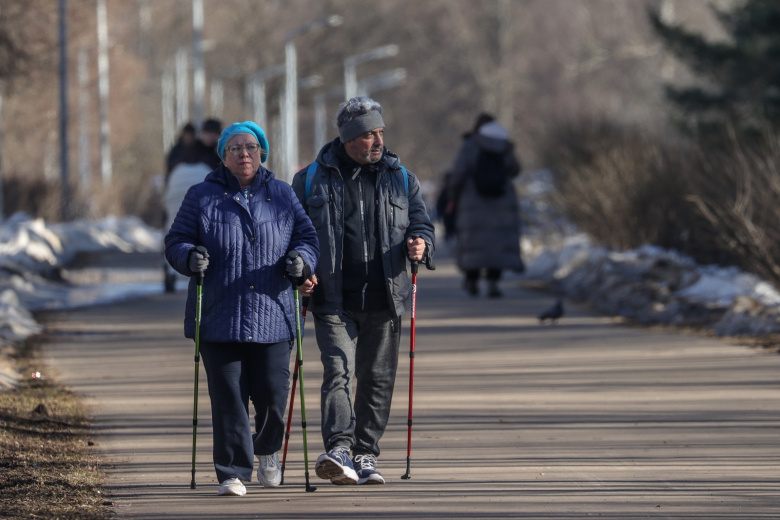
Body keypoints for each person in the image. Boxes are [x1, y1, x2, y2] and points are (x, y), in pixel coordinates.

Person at [165, 121, 319, 497]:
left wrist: (301, 260)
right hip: (219, 314)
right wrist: (189, 256)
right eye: (235, 148)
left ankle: (267, 450)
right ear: (223, 156)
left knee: (272, 395)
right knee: (229, 399)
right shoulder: (202, 195)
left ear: (262, 152)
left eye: (251, 147)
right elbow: (176, 240)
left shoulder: (282, 193)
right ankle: (232, 471)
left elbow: (307, 238)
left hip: (273, 313)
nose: (244, 154)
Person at [291, 96, 435, 486]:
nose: (378, 141)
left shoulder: (401, 178)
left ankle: (365, 452)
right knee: (338, 370)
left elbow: (421, 223)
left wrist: (421, 243)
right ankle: (339, 448)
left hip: (386, 297)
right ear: (349, 138)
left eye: (381, 132)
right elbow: (295, 234)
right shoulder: (310, 180)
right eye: (370, 134)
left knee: (377, 378)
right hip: (332, 297)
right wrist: (300, 268)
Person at [447, 113, 523, 298]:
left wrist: (453, 195)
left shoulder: (470, 144)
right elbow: (515, 168)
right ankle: (493, 281)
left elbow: (459, 172)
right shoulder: (504, 145)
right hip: (501, 200)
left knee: (473, 242)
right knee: (498, 242)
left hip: (473, 200)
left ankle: (471, 279)